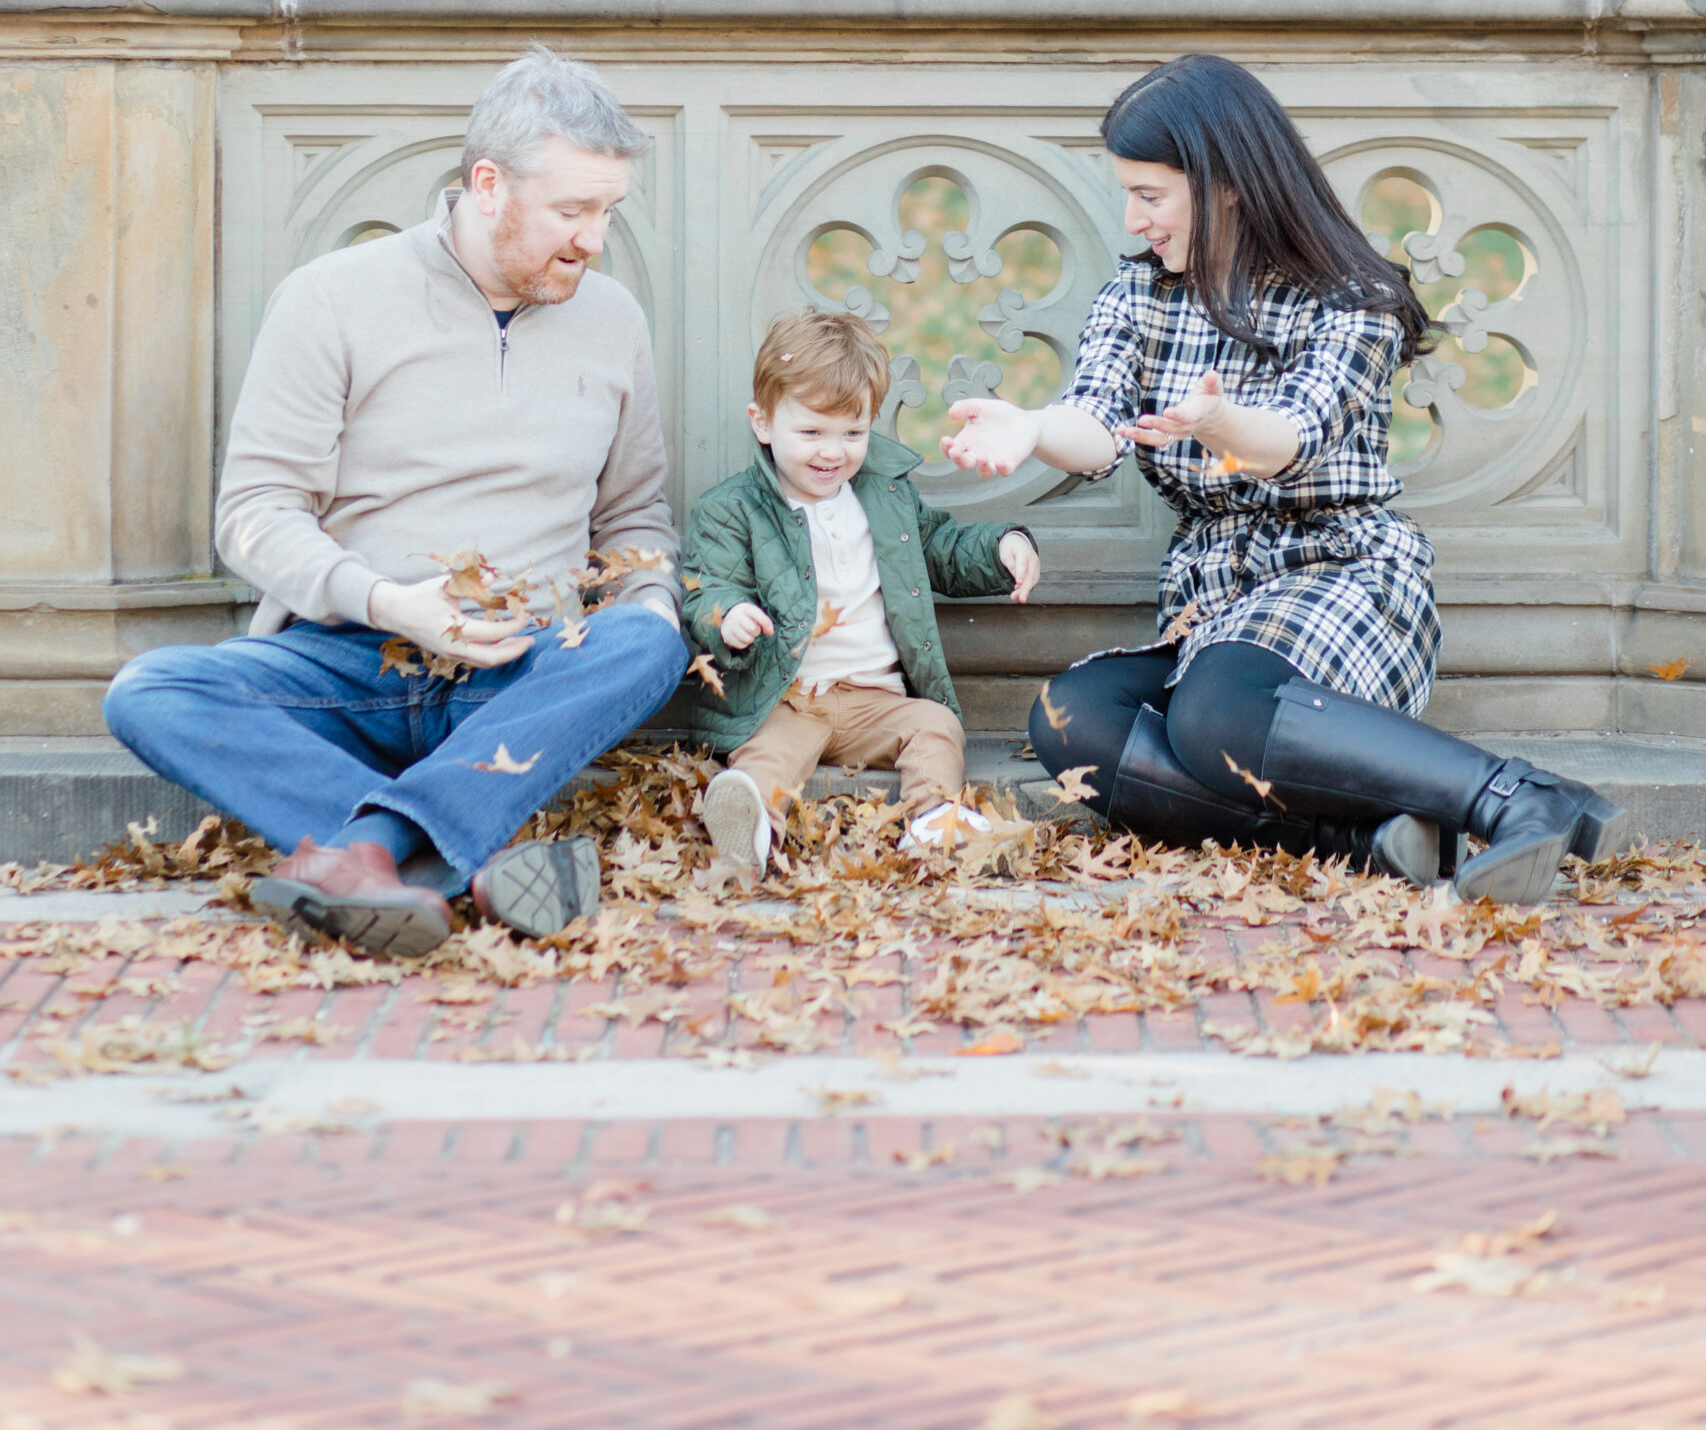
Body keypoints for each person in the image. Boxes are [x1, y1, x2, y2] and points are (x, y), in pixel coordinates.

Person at [942, 54, 1627, 907]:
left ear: (1224, 181)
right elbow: (1097, 425)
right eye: (1129, 194)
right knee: (1071, 720)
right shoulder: (1139, 295)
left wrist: (1220, 425)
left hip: (1341, 573)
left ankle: (1520, 798)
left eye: (1150, 195)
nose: (1133, 218)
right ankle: (1364, 840)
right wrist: (1034, 427)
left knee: (1212, 711)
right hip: (1216, 601)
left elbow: (1294, 438)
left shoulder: (1353, 299)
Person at [104, 48, 687, 957]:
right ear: (487, 184)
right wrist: (389, 602)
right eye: (571, 211)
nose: (593, 239)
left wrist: (645, 600)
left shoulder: (614, 320)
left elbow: (635, 523)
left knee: (648, 638)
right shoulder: (332, 299)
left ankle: (370, 854)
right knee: (152, 690)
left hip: (517, 677)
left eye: (607, 212)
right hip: (347, 666)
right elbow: (254, 510)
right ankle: (463, 865)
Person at [681, 309, 1041, 877]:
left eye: (852, 433)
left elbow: (938, 548)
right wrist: (729, 616)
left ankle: (932, 822)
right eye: (811, 433)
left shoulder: (884, 495)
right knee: (765, 758)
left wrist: (1003, 547)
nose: (833, 452)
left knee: (935, 727)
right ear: (763, 422)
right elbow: (707, 589)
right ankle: (748, 827)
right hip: (787, 696)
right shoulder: (731, 510)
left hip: (878, 699)